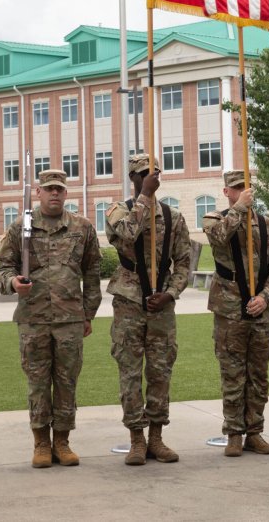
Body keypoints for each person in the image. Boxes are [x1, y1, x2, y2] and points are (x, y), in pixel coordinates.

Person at [0, 169, 102, 468]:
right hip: (34, 319)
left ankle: (63, 441)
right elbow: (4, 268)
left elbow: (92, 273)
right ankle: (41, 442)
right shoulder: (21, 228)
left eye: (59, 189)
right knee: (38, 382)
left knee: (67, 381)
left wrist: (88, 314)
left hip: (70, 319)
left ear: (66, 193)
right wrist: (14, 283)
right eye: (49, 189)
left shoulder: (82, 228)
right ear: (38, 193)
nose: (54, 194)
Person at [105, 154, 191, 466]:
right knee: (129, 372)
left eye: (153, 172)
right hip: (129, 301)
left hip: (161, 305)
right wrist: (144, 196)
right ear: (133, 178)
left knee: (160, 371)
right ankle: (136, 439)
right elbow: (127, 234)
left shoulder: (173, 217)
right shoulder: (118, 211)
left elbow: (184, 261)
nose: (150, 176)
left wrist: (170, 293)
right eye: (143, 173)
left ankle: (156, 436)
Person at [203, 170, 269, 457]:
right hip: (229, 311)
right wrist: (239, 209)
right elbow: (218, 238)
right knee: (233, 374)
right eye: (236, 188)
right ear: (227, 192)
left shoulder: (267, 226)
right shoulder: (215, 219)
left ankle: (255, 432)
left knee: (258, 376)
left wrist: (266, 297)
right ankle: (234, 433)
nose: (243, 191)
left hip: (259, 312)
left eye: (246, 187)